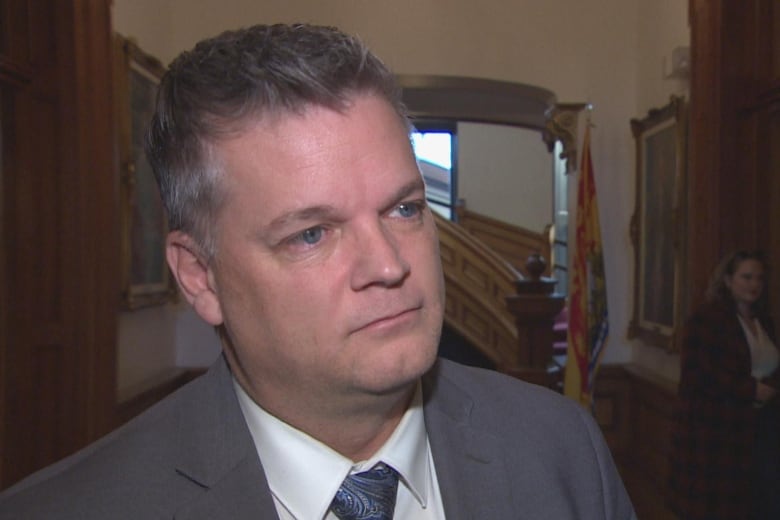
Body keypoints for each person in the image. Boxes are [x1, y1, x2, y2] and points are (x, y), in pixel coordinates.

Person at [0, 23, 635, 519]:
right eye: (311, 234)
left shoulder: (561, 449)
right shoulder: (71, 509)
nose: (389, 265)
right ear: (199, 276)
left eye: (405, 208)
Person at [670, 250, 780, 519]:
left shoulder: (764, 321)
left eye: (758, 279)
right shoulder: (707, 320)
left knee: (760, 496)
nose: (753, 284)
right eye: (746, 277)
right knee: (719, 506)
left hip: (761, 424)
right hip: (718, 428)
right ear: (728, 280)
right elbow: (702, 374)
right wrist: (750, 389)